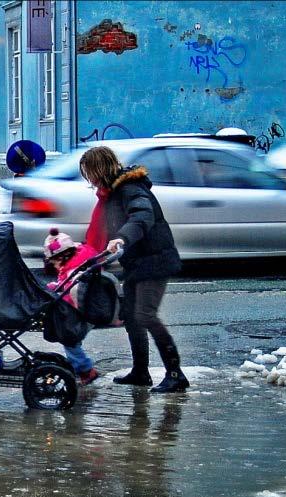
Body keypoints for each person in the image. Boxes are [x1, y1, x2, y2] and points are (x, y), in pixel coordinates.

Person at [79, 146, 189, 393]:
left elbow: (141, 217)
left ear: (100, 169)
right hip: (137, 262)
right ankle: (141, 372)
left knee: (145, 315)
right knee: (131, 317)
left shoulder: (131, 189)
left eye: (90, 173)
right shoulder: (112, 193)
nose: (90, 180)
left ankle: (175, 374)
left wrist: (122, 239)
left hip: (155, 259)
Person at [43, 228, 99, 386]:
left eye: (53, 262)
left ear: (62, 256)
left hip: (78, 312)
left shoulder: (73, 271)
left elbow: (69, 295)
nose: (53, 265)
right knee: (73, 341)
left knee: (69, 339)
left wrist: (53, 290)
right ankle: (80, 368)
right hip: (88, 309)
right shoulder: (81, 262)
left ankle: (86, 370)